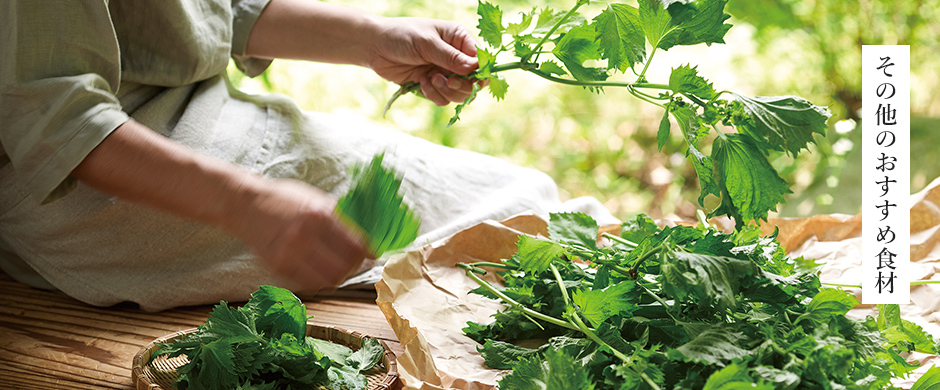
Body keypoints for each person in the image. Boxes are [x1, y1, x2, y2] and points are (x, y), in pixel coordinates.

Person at [0, 0, 613, 311]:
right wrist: (246, 202)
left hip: (188, 112)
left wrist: (372, 39)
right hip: (99, 178)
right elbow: (56, 119)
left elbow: (208, 13)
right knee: (521, 217)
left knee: (528, 214)